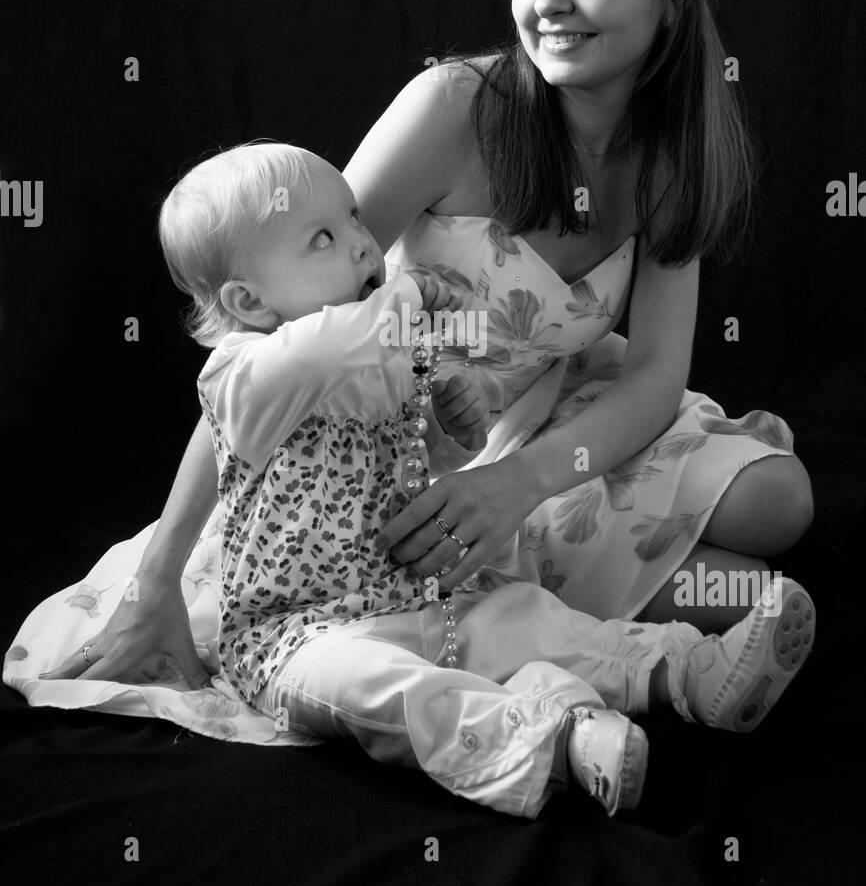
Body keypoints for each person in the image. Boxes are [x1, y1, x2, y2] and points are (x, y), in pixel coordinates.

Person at [29, 0, 814, 695]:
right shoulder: (452, 108)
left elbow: (660, 373)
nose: (549, 0)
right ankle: (631, 610)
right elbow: (281, 349)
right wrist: (158, 576)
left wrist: (524, 479)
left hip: (545, 424)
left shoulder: (670, 153)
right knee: (751, 588)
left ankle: (572, 550)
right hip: (400, 436)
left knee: (780, 502)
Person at [23, 139, 814, 820]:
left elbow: (407, 463)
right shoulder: (246, 373)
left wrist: (448, 428)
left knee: (528, 621)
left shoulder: (376, 358)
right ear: (246, 301)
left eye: (358, 221)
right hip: (298, 634)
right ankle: (556, 744)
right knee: (387, 689)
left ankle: (685, 674)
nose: (367, 245)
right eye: (325, 238)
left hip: (414, 596)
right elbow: (321, 352)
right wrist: (408, 298)